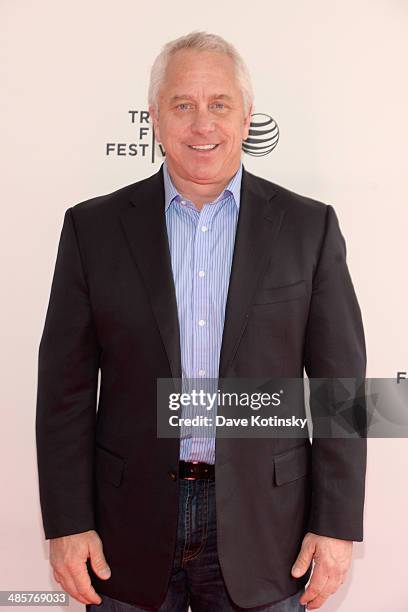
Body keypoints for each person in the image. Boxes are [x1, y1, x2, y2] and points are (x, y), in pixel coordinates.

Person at [35, 31, 367, 612]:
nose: (201, 124)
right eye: (182, 105)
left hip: (270, 531)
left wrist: (337, 526)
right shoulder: (93, 229)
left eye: (219, 105)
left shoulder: (309, 228)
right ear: (155, 120)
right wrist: (67, 522)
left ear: (246, 119)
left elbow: (343, 390)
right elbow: (62, 391)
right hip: (125, 529)